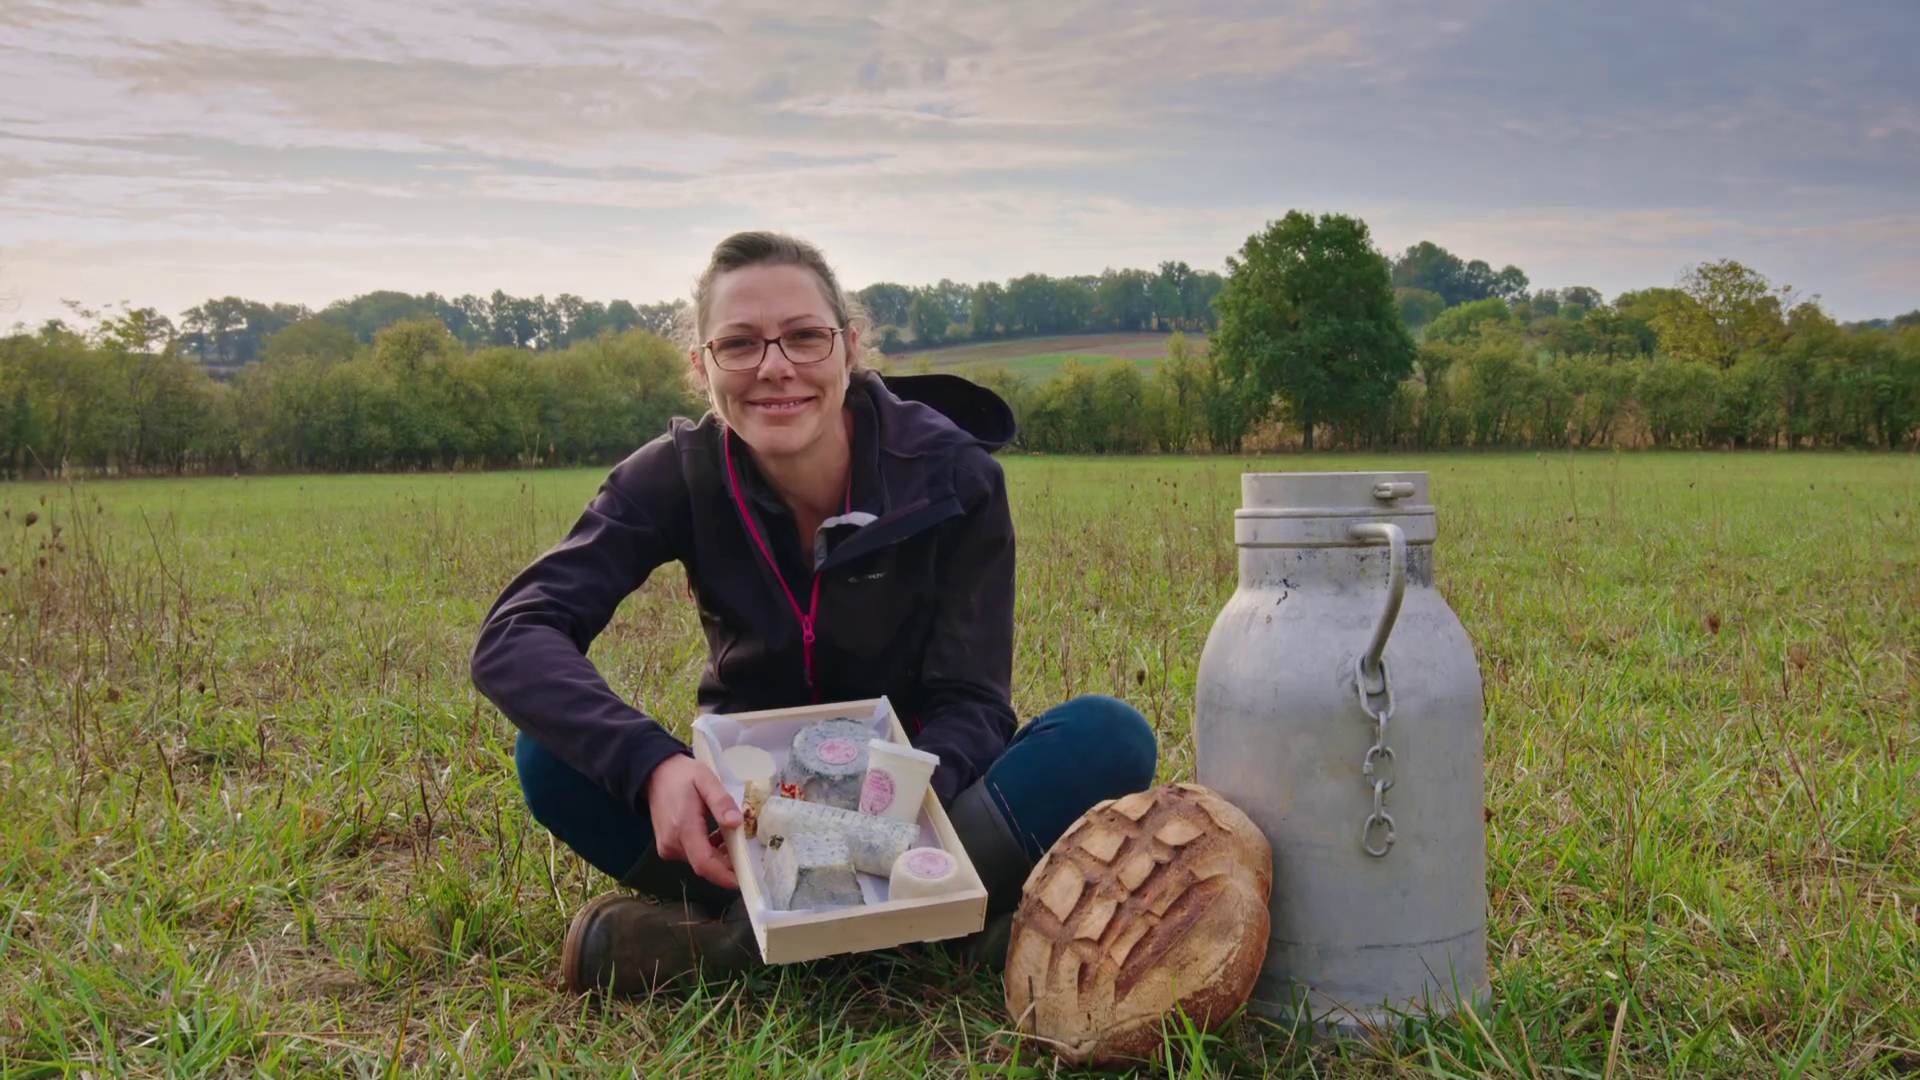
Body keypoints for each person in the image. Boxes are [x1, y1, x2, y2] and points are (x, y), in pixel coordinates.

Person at [470, 231, 1158, 995]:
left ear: (848, 348)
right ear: (701, 366)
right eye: (739, 344)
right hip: (752, 821)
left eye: (804, 337)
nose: (775, 367)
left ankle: (738, 947)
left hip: (919, 805)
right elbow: (515, 635)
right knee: (549, 757)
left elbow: (973, 700)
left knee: (1107, 737)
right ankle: (925, 935)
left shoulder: (953, 474)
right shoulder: (672, 477)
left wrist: (889, 815)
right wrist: (654, 765)